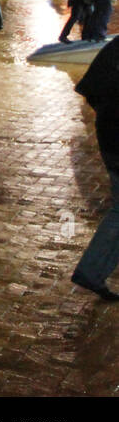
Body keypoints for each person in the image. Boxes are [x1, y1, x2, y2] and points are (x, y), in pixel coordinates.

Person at [71, 37, 119, 300]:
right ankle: (92, 271)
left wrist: (108, 115)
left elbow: (90, 88)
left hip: (110, 139)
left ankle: (94, 272)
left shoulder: (114, 48)